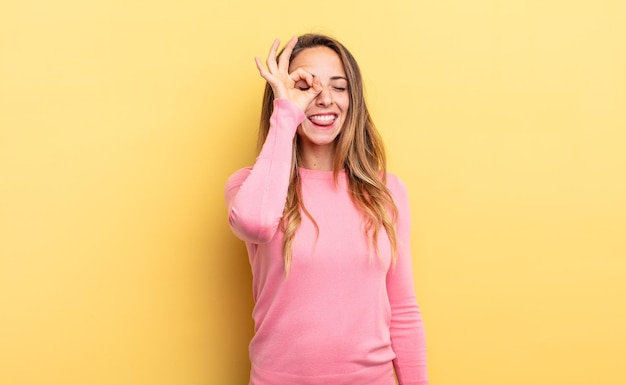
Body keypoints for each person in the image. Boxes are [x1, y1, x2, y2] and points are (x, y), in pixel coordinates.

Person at [224, 33, 428, 385]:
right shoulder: (249, 186)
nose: (325, 100)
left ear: (355, 99)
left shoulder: (387, 192)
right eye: (306, 86)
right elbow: (255, 225)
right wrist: (286, 115)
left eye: (339, 87)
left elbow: (404, 310)